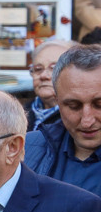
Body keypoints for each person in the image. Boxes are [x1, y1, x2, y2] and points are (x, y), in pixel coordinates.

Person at [25, 45, 101, 196]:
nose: (87, 121)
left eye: (99, 105)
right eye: (73, 106)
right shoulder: (27, 149)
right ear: (57, 101)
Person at [23, 39, 78, 131]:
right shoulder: (19, 113)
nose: (43, 76)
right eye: (38, 69)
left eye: (54, 68)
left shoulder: (79, 117)